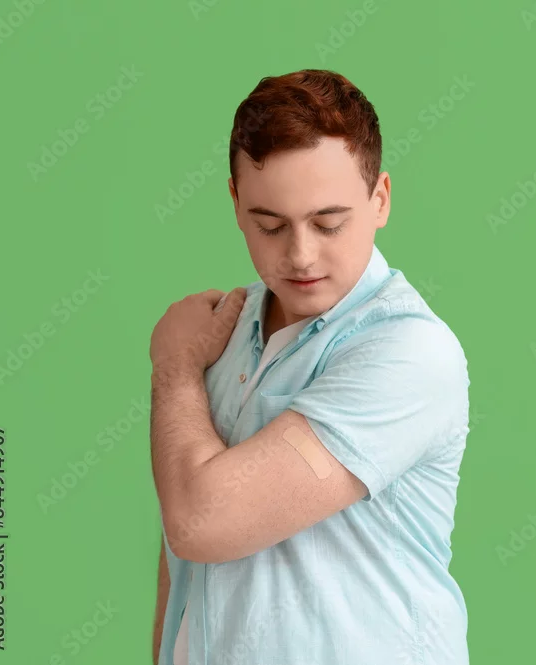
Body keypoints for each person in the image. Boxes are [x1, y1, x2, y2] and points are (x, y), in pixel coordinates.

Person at [148, 69, 471, 665]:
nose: (299, 255)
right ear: (235, 202)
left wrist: (174, 368)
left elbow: (201, 521)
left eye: (328, 223)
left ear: (380, 199)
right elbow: (179, 528)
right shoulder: (224, 328)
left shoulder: (409, 354)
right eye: (270, 225)